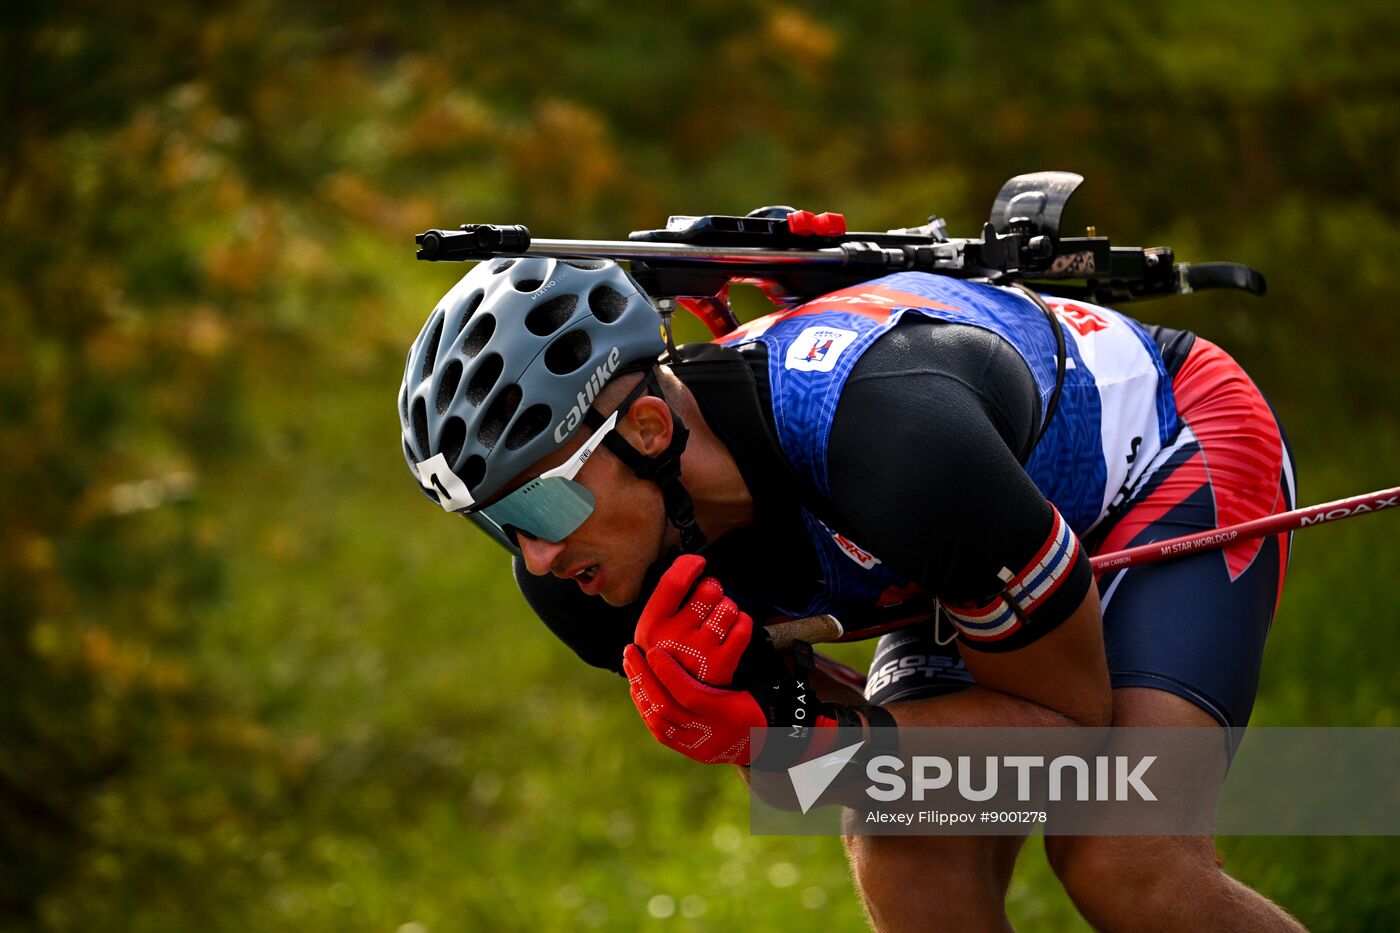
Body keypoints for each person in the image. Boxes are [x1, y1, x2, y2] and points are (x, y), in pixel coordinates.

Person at [399, 254, 1305, 931]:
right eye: (496, 521)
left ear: (645, 428)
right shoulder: (584, 579)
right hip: (960, 544)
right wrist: (781, 725)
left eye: (539, 501)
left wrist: (821, 741)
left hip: (1161, 451)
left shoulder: (894, 446)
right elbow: (839, 756)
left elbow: (1067, 728)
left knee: (1124, 858)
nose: (537, 556)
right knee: (907, 857)